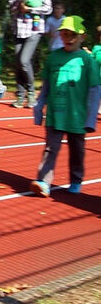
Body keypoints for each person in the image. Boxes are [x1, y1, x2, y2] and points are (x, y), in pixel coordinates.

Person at [30, 15, 100, 197]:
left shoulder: (87, 60)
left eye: (72, 35)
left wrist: (91, 117)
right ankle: (43, 182)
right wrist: (39, 107)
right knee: (50, 148)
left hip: (77, 116)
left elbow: (94, 90)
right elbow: (46, 86)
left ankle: (76, 180)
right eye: (64, 34)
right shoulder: (53, 58)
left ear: (82, 37)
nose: (68, 38)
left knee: (77, 150)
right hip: (55, 113)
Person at [8, 0, 52, 108]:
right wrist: (19, 5)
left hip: (34, 29)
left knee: (24, 61)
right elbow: (11, 5)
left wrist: (30, 9)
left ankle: (31, 93)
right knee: (18, 63)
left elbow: (48, 8)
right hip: (18, 29)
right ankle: (20, 96)